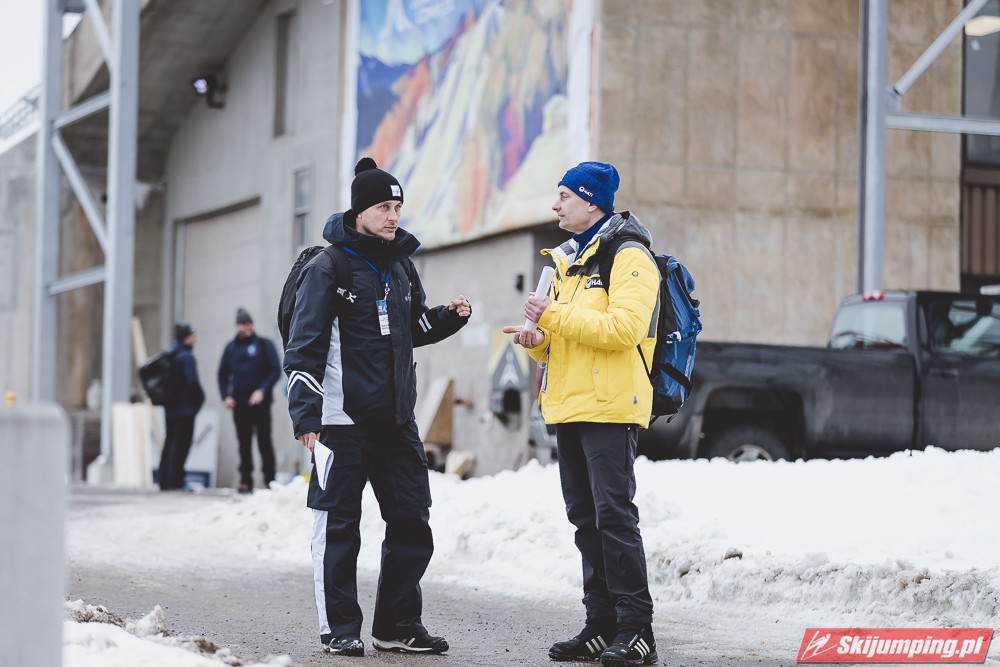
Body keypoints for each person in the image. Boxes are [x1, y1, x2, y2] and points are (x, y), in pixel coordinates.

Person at [283, 157, 472, 657]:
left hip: (396, 422)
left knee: (412, 520)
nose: (393, 216)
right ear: (360, 211)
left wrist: (448, 318)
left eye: (398, 207)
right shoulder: (328, 267)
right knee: (338, 527)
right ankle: (339, 627)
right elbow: (304, 348)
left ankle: (397, 625)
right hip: (339, 422)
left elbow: (411, 329)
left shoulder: (401, 265)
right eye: (384, 207)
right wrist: (306, 416)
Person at [503, 161, 660, 666]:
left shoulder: (629, 255)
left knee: (614, 516)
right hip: (570, 405)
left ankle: (636, 629)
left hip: (610, 407)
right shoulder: (570, 260)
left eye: (564, 196)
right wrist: (536, 340)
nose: (555, 205)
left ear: (591, 201)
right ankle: (601, 625)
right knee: (585, 519)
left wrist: (550, 314)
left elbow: (624, 329)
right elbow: (563, 340)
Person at [217, 307, 281, 494]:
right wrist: (226, 396)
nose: (246, 327)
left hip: (260, 404)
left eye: (249, 323)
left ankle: (270, 479)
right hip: (240, 404)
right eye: (243, 324)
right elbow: (222, 374)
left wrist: (262, 390)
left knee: (264, 442)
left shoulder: (263, 344)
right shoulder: (231, 348)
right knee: (244, 444)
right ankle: (246, 479)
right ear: (237, 326)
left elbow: (275, 370)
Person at [159, 322, 205, 491]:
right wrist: (200, 398)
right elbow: (192, 382)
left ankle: (165, 480)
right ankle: (176, 481)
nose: (195, 339)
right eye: (193, 336)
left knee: (170, 443)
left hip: (170, 408)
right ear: (187, 337)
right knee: (181, 446)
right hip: (185, 409)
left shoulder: (170, 354)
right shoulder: (186, 357)